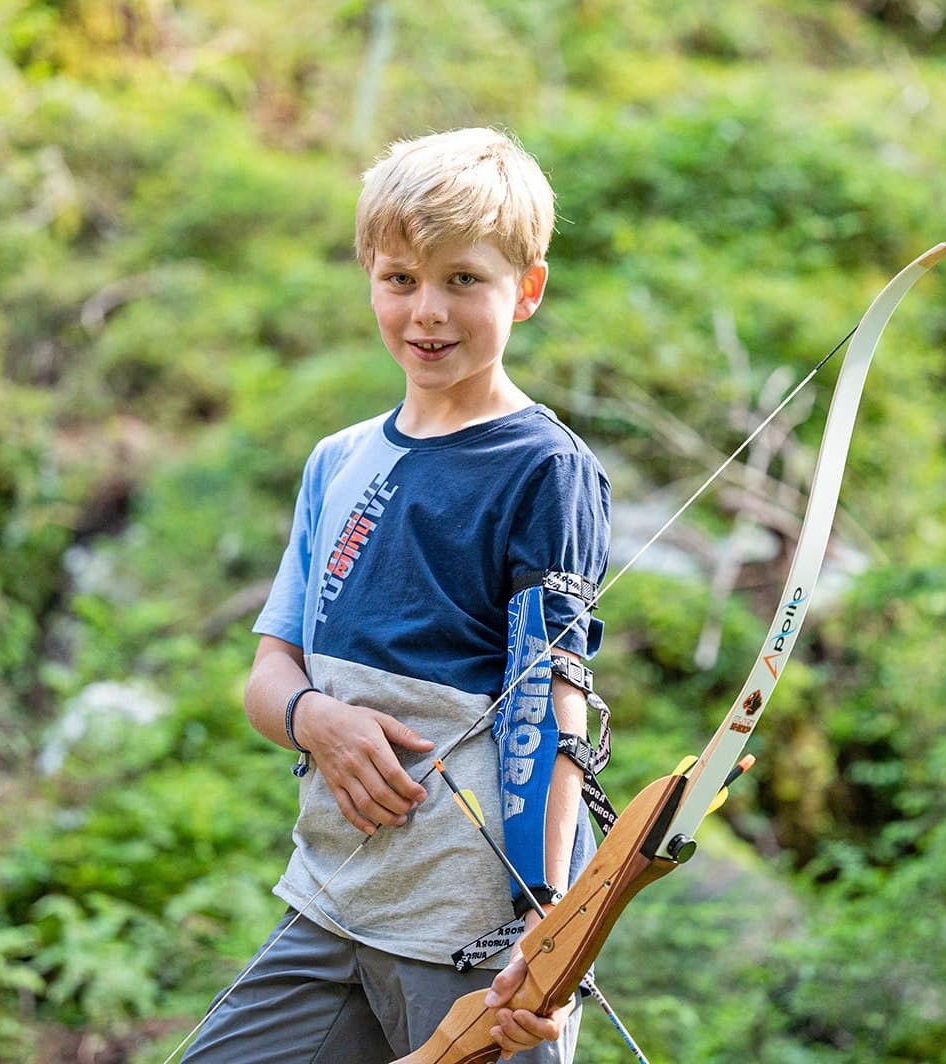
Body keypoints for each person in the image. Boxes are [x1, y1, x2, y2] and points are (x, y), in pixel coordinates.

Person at [183, 127, 610, 1063]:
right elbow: (269, 670)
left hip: (476, 930)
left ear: (526, 290)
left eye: (464, 280)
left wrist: (545, 921)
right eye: (400, 279)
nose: (428, 312)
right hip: (335, 900)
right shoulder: (338, 460)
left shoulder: (545, 467)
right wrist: (312, 720)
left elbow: (555, 694)